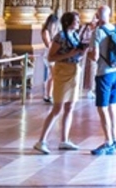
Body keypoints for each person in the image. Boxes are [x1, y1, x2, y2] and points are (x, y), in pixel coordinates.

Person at [33, 12, 84, 153]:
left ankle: (64, 140)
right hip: (62, 72)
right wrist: (70, 54)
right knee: (57, 108)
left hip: (74, 71)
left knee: (70, 107)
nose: (79, 22)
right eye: (76, 20)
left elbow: (75, 53)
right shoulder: (60, 37)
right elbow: (51, 57)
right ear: (68, 22)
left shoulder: (75, 35)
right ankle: (41, 141)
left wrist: (81, 52)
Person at [89, 4, 116, 156]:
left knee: (102, 108)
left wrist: (89, 52)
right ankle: (115, 140)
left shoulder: (98, 32)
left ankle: (108, 142)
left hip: (104, 73)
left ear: (97, 16)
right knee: (113, 107)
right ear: (110, 15)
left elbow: (94, 57)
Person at [40, 12, 60, 104]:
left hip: (54, 54)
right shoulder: (46, 31)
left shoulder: (54, 32)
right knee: (54, 75)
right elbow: (49, 44)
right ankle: (50, 94)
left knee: (52, 76)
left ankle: (48, 94)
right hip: (49, 54)